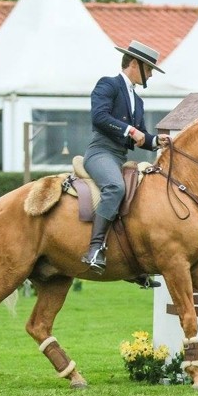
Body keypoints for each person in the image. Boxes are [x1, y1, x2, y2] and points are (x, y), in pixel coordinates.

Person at [81, 40, 170, 282]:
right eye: (149, 68)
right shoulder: (108, 84)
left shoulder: (137, 101)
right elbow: (99, 117)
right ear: (134, 64)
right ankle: (95, 248)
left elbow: (142, 137)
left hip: (119, 156)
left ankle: (130, 260)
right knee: (115, 188)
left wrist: (155, 141)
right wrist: (131, 131)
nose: (150, 73)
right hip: (100, 152)